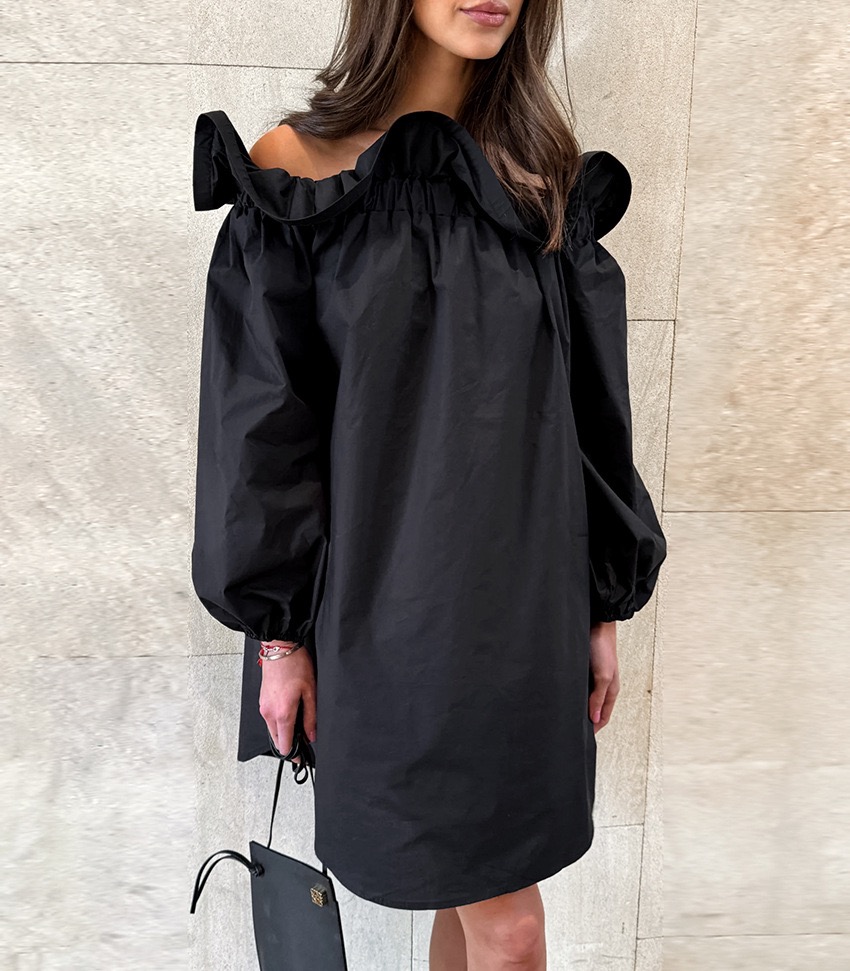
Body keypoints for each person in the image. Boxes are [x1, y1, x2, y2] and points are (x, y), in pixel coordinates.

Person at [190, 0, 667, 967]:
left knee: (480, 897)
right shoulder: (297, 171)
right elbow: (261, 426)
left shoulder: (541, 179)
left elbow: (592, 415)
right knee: (510, 929)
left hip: (530, 616)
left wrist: (602, 605)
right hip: (385, 621)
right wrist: (278, 634)